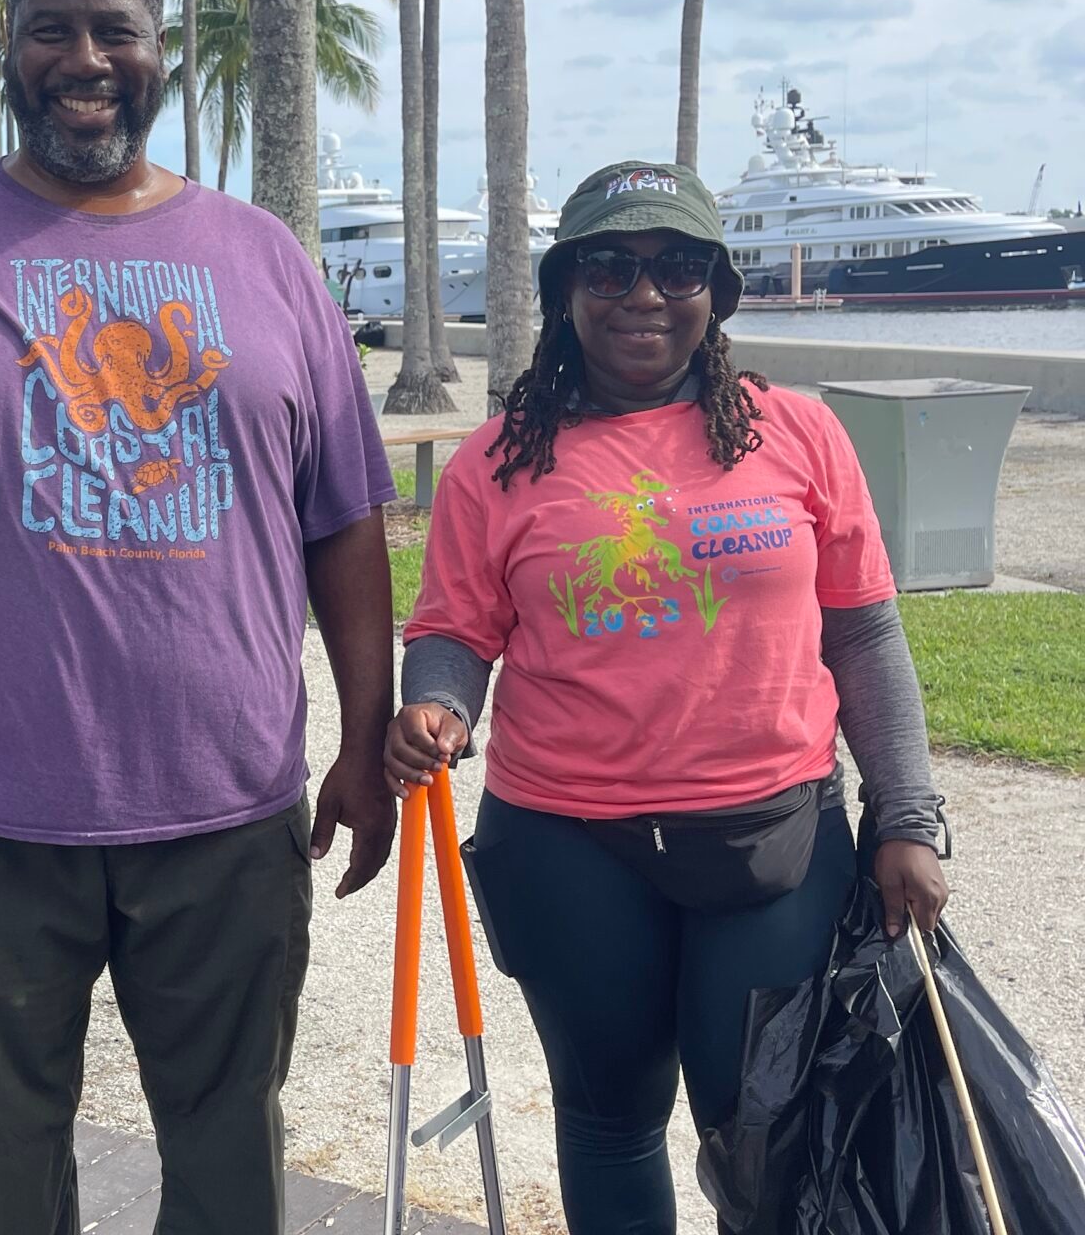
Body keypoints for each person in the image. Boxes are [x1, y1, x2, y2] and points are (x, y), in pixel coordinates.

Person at [0, 0, 398, 1233]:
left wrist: (361, 732)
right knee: (0, 1167)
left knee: (228, 1162)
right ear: (6, 49)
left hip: (224, 809)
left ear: (162, 53)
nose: (85, 58)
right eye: (52, 28)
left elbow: (343, 517)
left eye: (116, 30)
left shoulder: (265, 259)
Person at [385, 160, 950, 1235]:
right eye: (609, 266)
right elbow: (455, 630)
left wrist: (908, 815)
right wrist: (438, 705)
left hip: (772, 838)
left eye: (676, 266)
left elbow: (865, 632)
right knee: (609, 1124)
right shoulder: (495, 465)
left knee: (766, 1131)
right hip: (567, 848)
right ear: (566, 290)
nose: (644, 293)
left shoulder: (800, 435)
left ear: (716, 291)